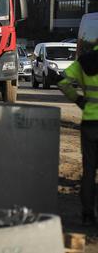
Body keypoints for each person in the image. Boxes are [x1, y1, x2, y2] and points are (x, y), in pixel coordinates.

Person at [58, 43, 98, 226]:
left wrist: (79, 99)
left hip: (90, 123)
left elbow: (62, 81)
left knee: (89, 171)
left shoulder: (85, 61)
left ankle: (88, 214)